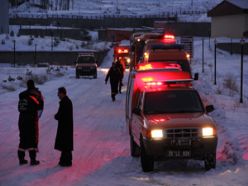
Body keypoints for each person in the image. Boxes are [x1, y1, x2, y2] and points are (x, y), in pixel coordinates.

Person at [17, 79, 44, 165]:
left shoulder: (22, 95)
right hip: (31, 119)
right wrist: (37, 117)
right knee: (32, 138)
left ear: (27, 85)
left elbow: (19, 108)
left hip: (21, 119)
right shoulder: (37, 94)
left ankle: (21, 159)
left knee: (23, 138)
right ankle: (33, 160)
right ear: (33, 85)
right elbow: (41, 107)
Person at [54, 87, 73, 167]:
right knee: (66, 144)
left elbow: (61, 114)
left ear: (62, 93)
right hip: (66, 126)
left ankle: (66, 161)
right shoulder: (67, 101)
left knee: (65, 144)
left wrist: (56, 116)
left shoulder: (65, 102)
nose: (57, 95)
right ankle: (64, 160)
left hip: (65, 126)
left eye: (58, 93)